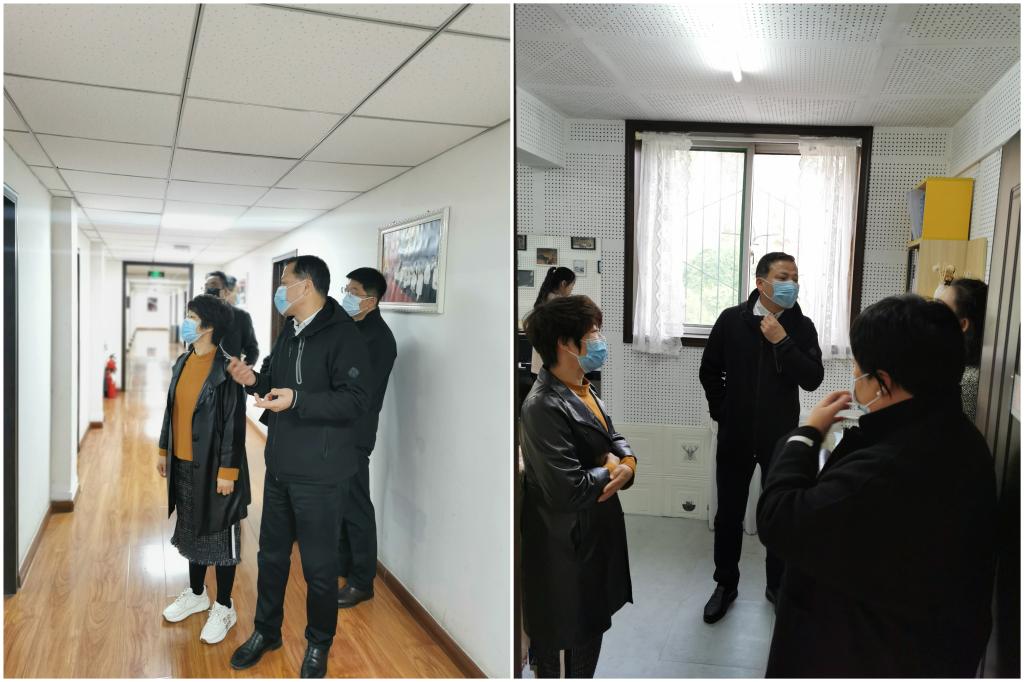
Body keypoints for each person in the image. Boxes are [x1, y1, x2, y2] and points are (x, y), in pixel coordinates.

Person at [756, 295, 997, 677]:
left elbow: (779, 517)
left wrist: (806, 433)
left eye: (858, 367)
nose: (855, 375)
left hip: (863, 653)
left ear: (883, 382)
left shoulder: (888, 468)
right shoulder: (958, 435)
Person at [225, 256, 372, 679]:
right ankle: (266, 632)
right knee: (271, 557)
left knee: (319, 569)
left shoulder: (344, 335)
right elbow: (273, 380)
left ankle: (318, 643)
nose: (280, 289)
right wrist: (252, 379)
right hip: (281, 468)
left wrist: (299, 400)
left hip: (322, 476)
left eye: (285, 281)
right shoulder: (290, 330)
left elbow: (356, 401)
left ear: (305, 286)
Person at [698, 252, 823, 623]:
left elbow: (812, 378)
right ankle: (725, 584)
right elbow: (709, 371)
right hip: (735, 434)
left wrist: (782, 341)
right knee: (729, 513)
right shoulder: (731, 320)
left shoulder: (801, 326)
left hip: (780, 437)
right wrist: (722, 410)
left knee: (779, 512)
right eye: (783, 277)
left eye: (795, 277)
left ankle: (778, 585)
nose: (791, 284)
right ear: (761, 282)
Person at [520, 295, 637, 678]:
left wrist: (626, 463)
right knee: (567, 658)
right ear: (565, 344)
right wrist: (608, 468)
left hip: (590, 543)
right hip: (564, 557)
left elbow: (612, 436)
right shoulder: (543, 406)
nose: (600, 341)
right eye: (593, 333)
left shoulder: (581, 388)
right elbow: (568, 489)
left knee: (588, 643)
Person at [157, 294, 251, 645]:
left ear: (209, 326)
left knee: (221, 540)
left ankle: (225, 606)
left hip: (216, 468)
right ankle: (197, 594)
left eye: (192, 316)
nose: (186, 321)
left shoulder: (227, 369)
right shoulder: (183, 361)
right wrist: (164, 449)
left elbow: (234, 426)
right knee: (192, 532)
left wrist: (228, 471)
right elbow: (171, 410)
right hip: (184, 463)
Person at [335, 267, 397, 609]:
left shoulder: (380, 339)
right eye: (346, 289)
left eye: (354, 291)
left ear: (370, 301)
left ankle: (362, 582)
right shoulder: (353, 327)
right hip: (339, 429)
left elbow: (360, 392)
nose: (347, 295)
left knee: (357, 507)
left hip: (355, 432)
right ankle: (344, 564)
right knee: (344, 502)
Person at [937, 277, 988, 421]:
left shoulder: (967, 381)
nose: (933, 315)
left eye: (941, 310)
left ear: (963, 324)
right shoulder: (957, 368)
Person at [205, 270, 259, 366]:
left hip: (229, 373)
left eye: (213, 285)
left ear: (226, 292)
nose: (208, 289)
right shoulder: (200, 315)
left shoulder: (241, 317)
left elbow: (252, 350)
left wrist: (243, 370)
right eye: (206, 286)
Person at [529, 266, 576, 375]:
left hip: (540, 362)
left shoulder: (544, 298)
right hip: (552, 363)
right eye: (572, 285)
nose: (572, 289)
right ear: (563, 283)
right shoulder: (558, 303)